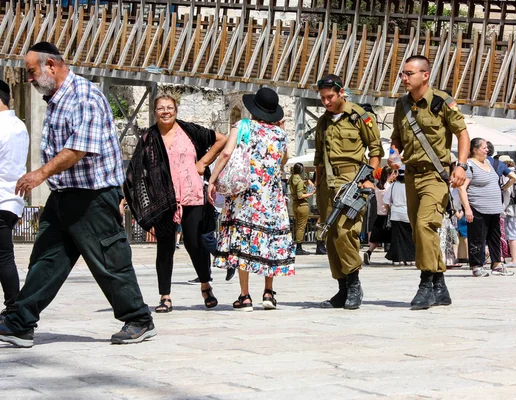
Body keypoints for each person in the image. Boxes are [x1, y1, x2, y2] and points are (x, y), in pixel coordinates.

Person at [0, 42, 155, 348]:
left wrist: (39, 174)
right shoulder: (57, 99)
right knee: (45, 259)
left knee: (109, 262)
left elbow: (79, 147)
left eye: (32, 72)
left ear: (51, 66)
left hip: (93, 197)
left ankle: (138, 318)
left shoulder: (84, 96)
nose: (29, 79)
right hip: (64, 196)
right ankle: (20, 322)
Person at [126, 95, 227, 313]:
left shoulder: (189, 131)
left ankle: (205, 285)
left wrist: (203, 162)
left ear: (176, 110)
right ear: (154, 112)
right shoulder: (148, 138)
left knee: (193, 242)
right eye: (161, 108)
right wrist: (130, 196)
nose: (165, 112)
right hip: (163, 200)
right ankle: (165, 296)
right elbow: (135, 170)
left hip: (192, 195)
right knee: (165, 246)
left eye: (169, 108)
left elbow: (222, 139)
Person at [389, 55, 470, 310]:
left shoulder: (442, 102)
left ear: (425, 75)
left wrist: (462, 165)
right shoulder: (401, 105)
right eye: (403, 73)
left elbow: (463, 135)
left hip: (436, 176)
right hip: (410, 175)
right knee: (418, 230)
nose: (404, 78)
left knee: (425, 225)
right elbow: (396, 139)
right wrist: (393, 154)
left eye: (409, 73)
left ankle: (425, 283)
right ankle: (440, 283)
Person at [208, 87, 295, 311]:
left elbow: (226, 153)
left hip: (245, 195)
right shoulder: (280, 134)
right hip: (271, 197)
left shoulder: (243, 126)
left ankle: (245, 296)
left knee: (242, 242)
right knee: (269, 241)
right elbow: (283, 161)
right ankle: (268, 293)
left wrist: (213, 179)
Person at [314, 74, 383, 310]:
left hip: (352, 180)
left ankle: (354, 284)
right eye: (322, 98)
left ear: (341, 92)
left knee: (346, 233)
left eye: (330, 97)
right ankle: (342, 289)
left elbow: (375, 151)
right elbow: (318, 160)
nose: (326, 102)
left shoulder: (361, 118)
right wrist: (318, 187)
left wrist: (367, 180)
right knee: (331, 238)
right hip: (327, 185)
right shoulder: (322, 122)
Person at [457, 138, 515, 277]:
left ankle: (497, 264)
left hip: (494, 209)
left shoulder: (489, 162)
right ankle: (477, 265)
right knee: (477, 238)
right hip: (478, 207)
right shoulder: (469, 165)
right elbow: (462, 188)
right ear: (475, 149)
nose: (487, 150)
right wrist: (467, 208)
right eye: (484, 148)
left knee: (495, 237)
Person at [0, 80, 29, 318]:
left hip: (0, 198)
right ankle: (13, 307)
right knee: (4, 256)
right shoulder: (20, 125)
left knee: (4, 257)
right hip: (13, 200)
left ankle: (13, 308)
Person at [384, 168, 415, 265]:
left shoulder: (393, 186)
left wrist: (389, 209)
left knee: (397, 238)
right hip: (408, 213)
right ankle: (411, 258)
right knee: (410, 237)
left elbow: (386, 201)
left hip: (396, 213)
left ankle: (398, 259)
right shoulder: (411, 186)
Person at [363, 167, 392, 265]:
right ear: (389, 174)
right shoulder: (389, 187)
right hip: (388, 216)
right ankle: (394, 255)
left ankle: (369, 252)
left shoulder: (378, 186)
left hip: (379, 214)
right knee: (394, 236)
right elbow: (388, 202)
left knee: (376, 238)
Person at [290, 162, 314, 255]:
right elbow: (300, 195)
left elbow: (297, 184)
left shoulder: (292, 178)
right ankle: (299, 247)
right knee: (301, 227)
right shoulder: (299, 181)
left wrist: (307, 181)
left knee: (297, 225)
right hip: (302, 204)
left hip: (295, 205)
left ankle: (298, 245)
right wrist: (310, 194)